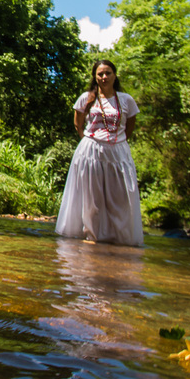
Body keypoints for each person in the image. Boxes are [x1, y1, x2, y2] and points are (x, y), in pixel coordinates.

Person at [55, 60, 143, 246]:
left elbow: (129, 127)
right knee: (91, 198)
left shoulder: (126, 100)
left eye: (108, 73)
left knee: (120, 198)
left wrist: (116, 142)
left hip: (118, 154)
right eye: (100, 74)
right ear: (95, 77)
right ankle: (92, 236)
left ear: (115, 75)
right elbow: (78, 124)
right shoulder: (86, 98)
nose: (104, 77)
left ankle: (119, 238)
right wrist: (88, 141)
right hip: (91, 153)